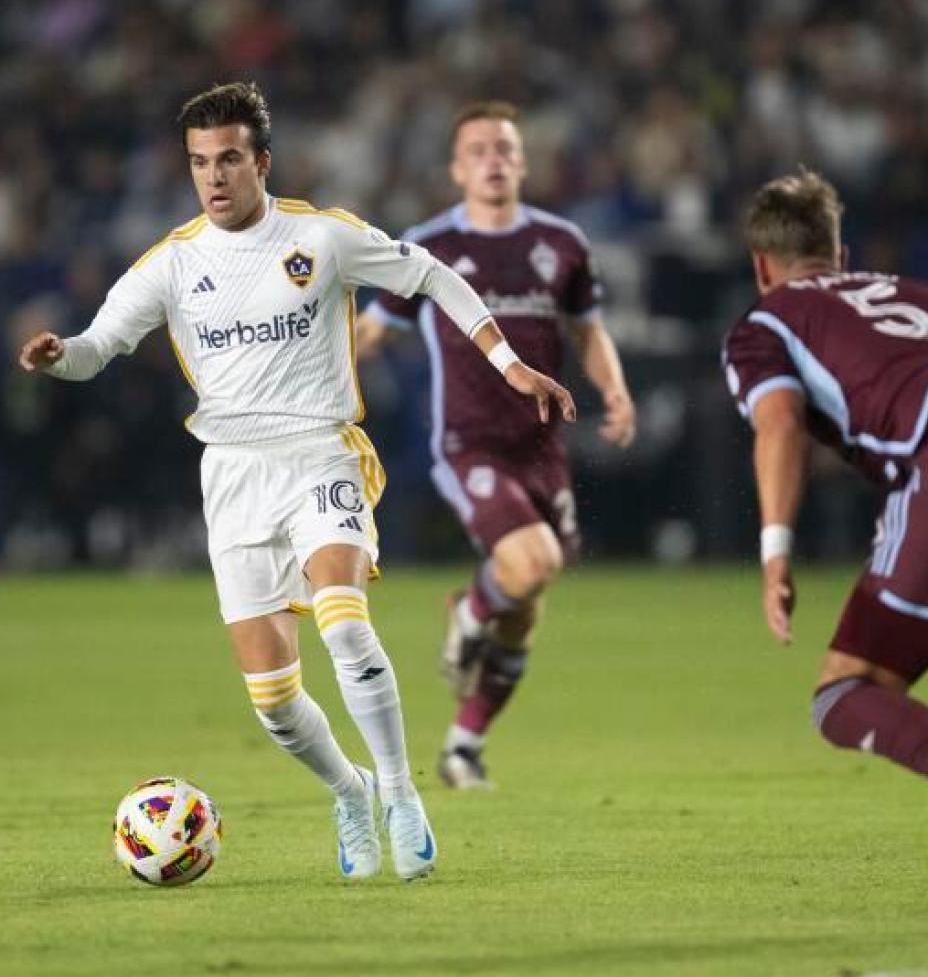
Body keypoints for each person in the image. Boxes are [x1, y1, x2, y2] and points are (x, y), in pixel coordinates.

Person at [18, 82, 575, 881]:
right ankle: (350, 791)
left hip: (321, 452)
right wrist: (58, 356)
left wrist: (510, 364)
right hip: (233, 474)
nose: (214, 177)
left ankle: (399, 792)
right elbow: (97, 347)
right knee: (274, 703)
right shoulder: (172, 264)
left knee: (343, 623)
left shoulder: (323, 237)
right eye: (199, 163)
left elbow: (433, 277)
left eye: (229, 159)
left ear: (262, 162)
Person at [722, 166, 928, 884]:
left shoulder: (766, 323)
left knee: (844, 693)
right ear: (841, 253)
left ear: (761, 266)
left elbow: (779, 424)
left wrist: (774, 551)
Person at [357, 101, 634, 790]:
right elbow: (371, 331)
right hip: (469, 442)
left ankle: (463, 747)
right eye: (478, 150)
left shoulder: (562, 243)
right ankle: (468, 609)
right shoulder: (429, 246)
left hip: (541, 446)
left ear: (523, 162)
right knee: (532, 564)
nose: (493, 160)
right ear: (457, 169)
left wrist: (616, 389)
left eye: (505, 149)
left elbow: (588, 331)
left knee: (526, 604)